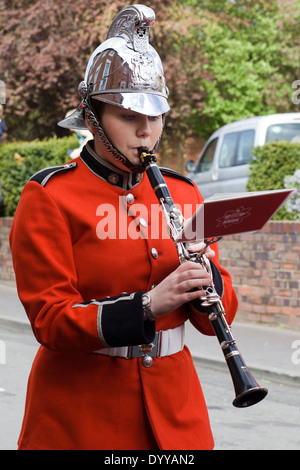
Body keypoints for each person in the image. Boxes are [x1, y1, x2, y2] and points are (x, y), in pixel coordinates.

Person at [9, 5, 238, 450]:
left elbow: (216, 322)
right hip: (80, 415)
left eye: (154, 119)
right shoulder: (51, 196)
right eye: (129, 117)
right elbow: (50, 322)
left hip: (177, 415)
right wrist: (148, 305)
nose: (145, 132)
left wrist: (207, 277)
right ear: (91, 116)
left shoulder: (184, 192)